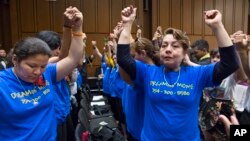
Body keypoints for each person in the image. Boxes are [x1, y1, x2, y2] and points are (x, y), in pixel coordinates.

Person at [117, 5, 239, 140]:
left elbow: (230, 64)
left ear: (184, 53)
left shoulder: (196, 74)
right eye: (164, 45)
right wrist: (127, 24)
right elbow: (123, 58)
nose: (168, 49)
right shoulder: (148, 72)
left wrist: (217, 26)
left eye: (175, 46)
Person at [0, 6, 84, 140]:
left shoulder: (48, 74)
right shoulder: (3, 84)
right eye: (32, 66)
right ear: (15, 60)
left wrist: (77, 28)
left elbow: (73, 58)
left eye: (43, 66)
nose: (38, 72)